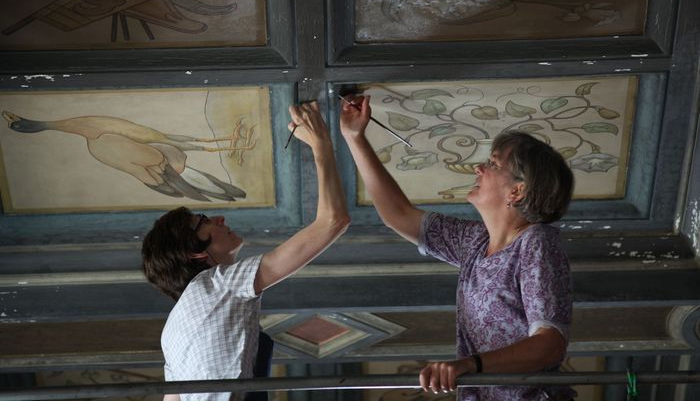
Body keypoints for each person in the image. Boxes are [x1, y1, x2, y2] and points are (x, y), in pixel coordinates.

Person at [340, 95, 575, 401]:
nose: (479, 168)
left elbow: (549, 344)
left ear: (517, 190)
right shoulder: (474, 242)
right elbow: (398, 214)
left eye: (492, 164)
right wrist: (354, 137)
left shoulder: (536, 242)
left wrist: (471, 365)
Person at [142, 101, 350, 401]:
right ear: (195, 253)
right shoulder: (215, 285)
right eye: (204, 222)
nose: (219, 219)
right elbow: (332, 221)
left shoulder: (171, 334)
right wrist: (321, 143)